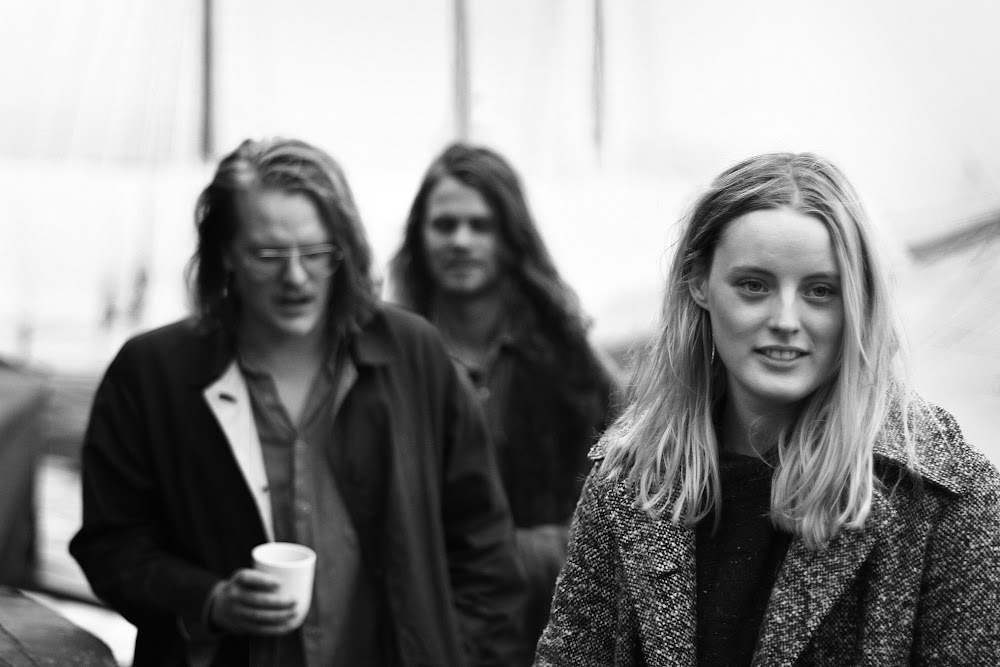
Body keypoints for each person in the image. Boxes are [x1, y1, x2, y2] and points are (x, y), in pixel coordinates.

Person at [70, 137, 525, 666]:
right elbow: (111, 546)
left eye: (316, 253)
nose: (295, 277)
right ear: (225, 253)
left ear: (344, 249)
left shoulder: (413, 354)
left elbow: (483, 547)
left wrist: (455, 653)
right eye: (267, 255)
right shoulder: (152, 373)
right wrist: (209, 600)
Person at [535, 152, 1000, 665]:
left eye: (820, 291)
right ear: (699, 282)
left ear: (859, 302)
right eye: (754, 285)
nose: (785, 319)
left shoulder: (944, 501)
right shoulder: (630, 479)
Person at [388, 143, 619, 659]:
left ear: (510, 235)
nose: (461, 240)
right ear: (420, 235)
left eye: (480, 225)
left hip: (549, 624)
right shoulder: (391, 355)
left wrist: (525, 553)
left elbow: (631, 486)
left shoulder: (568, 354)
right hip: (430, 625)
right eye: (444, 225)